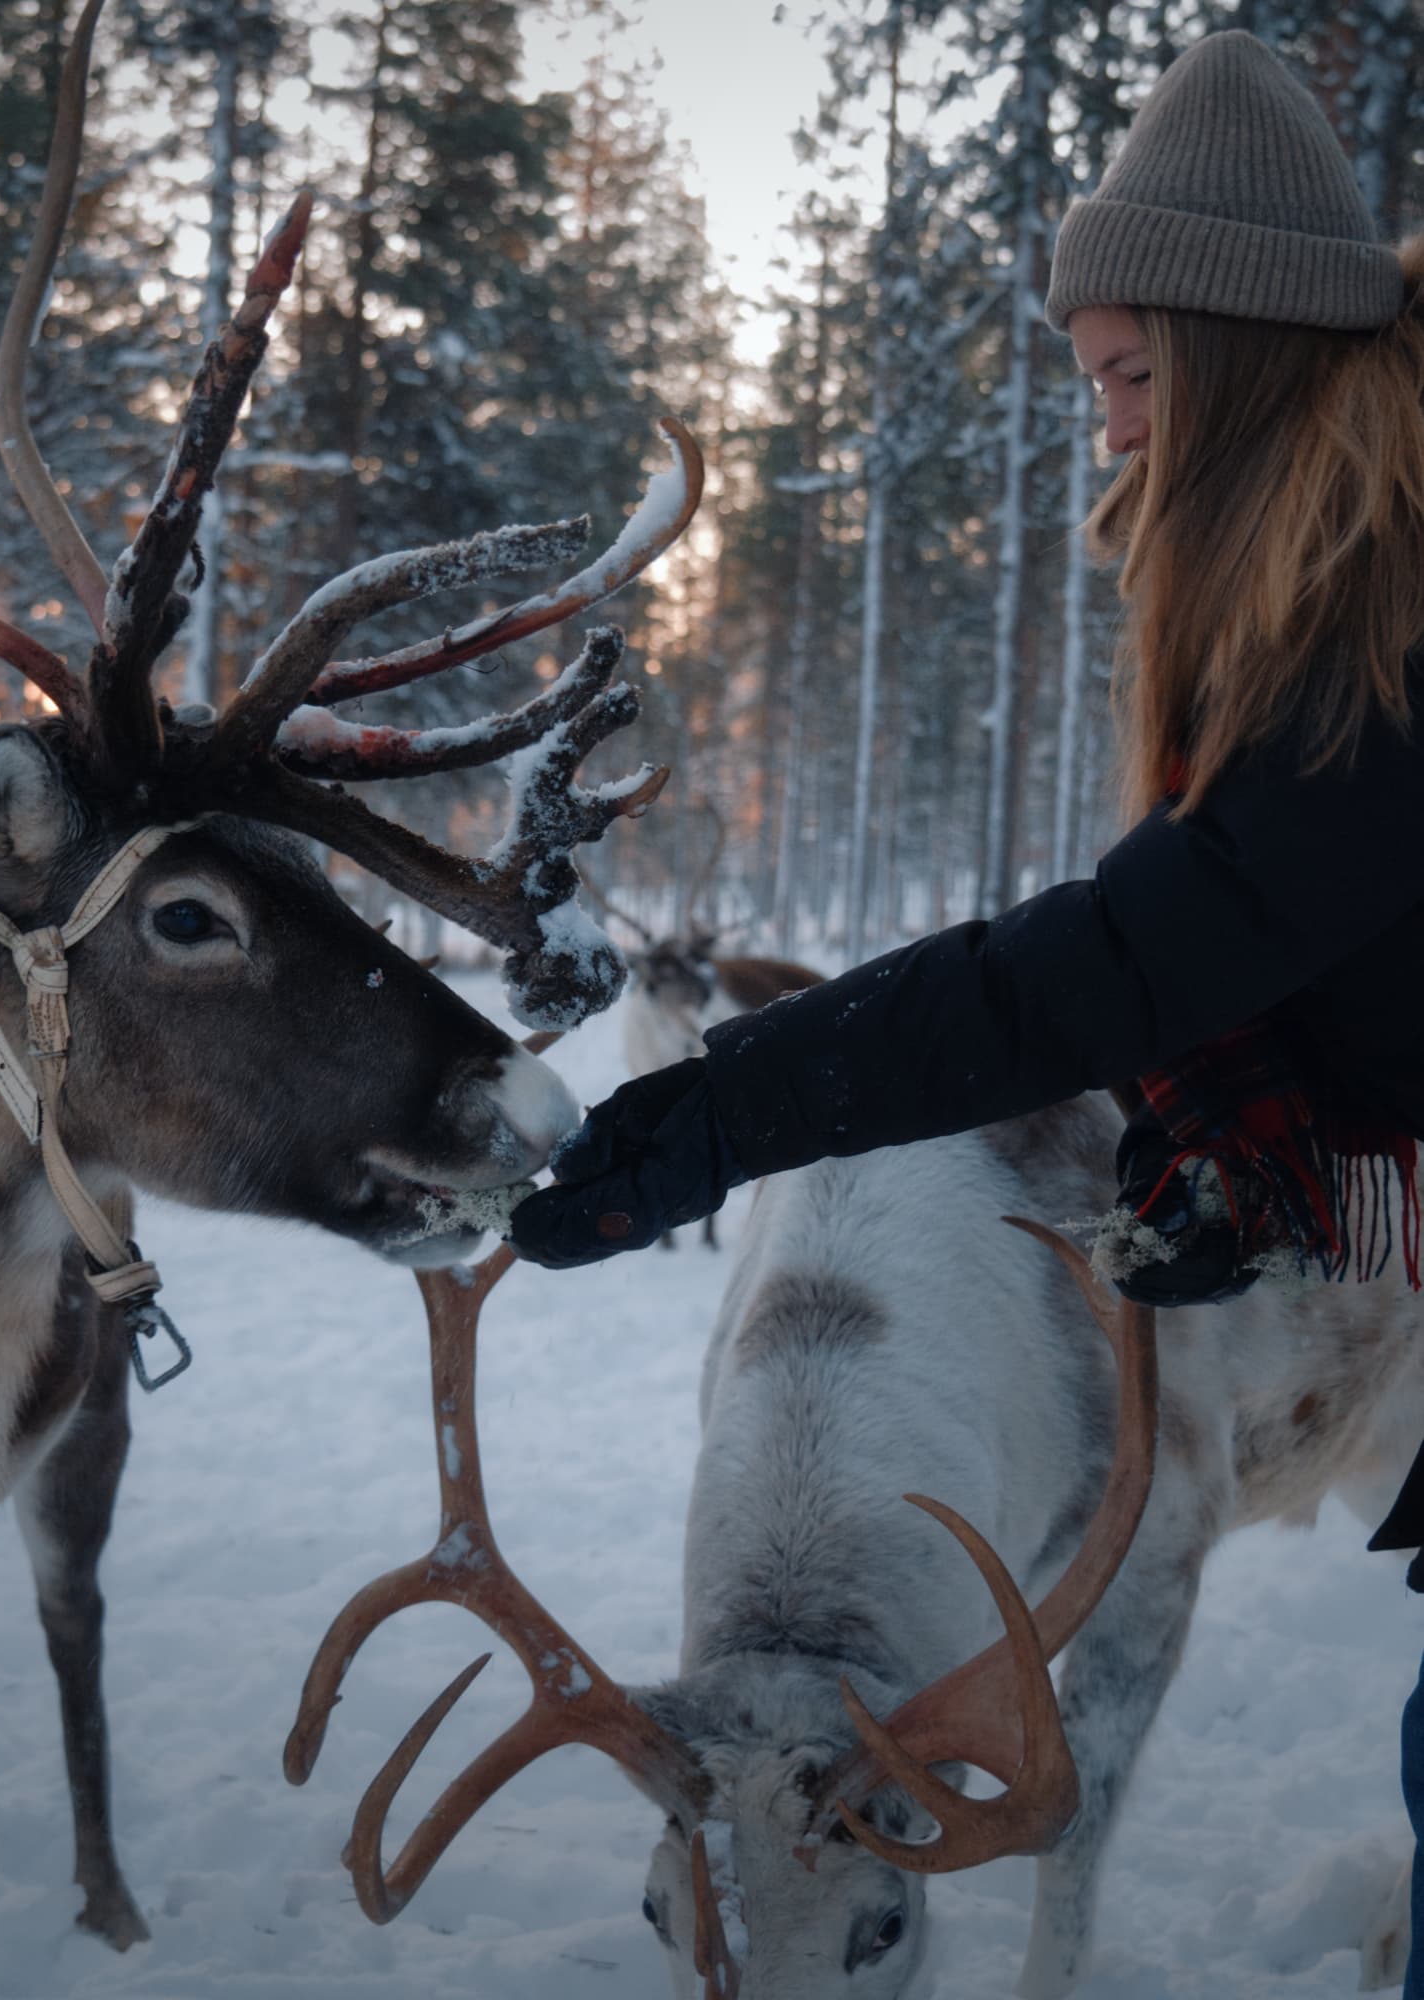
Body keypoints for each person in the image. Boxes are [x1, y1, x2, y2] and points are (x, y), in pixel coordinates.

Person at [509, 29, 1424, 1990]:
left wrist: (730, 1099)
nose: (1104, 433)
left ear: (1240, 349)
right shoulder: (1353, 604)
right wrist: (1225, 1157)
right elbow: (1263, 964)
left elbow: (1112, 960)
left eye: (1126, 376)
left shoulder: (1385, 647)